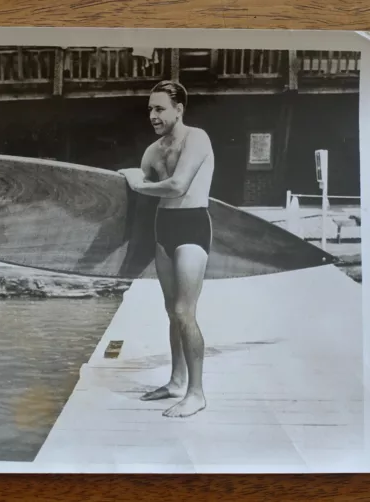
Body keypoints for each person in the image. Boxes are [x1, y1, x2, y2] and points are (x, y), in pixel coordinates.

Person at [118, 80, 214, 418]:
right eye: (150, 109)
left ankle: (196, 393)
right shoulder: (152, 152)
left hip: (192, 226)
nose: (153, 115)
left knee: (185, 312)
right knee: (171, 310)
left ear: (179, 110)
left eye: (159, 108)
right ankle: (176, 381)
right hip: (164, 230)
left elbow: (177, 186)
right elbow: (133, 190)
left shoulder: (197, 138)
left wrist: (138, 182)